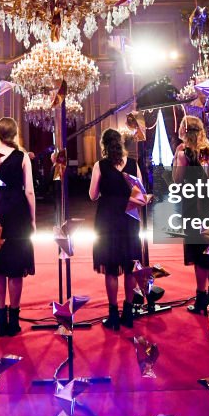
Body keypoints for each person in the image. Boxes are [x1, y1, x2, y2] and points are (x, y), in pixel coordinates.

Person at [0, 117, 36, 337]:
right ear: (15, 134)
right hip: (17, 215)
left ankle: (0, 316)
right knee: (15, 269)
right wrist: (32, 219)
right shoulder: (22, 157)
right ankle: (14, 318)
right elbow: (29, 191)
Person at [89, 128, 143, 331]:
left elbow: (93, 195)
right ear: (120, 143)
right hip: (129, 218)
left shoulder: (100, 166)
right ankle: (128, 312)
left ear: (103, 145)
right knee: (130, 266)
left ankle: (113, 315)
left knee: (111, 269)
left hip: (107, 219)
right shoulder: (132, 165)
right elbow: (140, 194)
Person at [172, 116, 209, 314]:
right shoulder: (208, 151)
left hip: (195, 207)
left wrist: (176, 158)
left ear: (185, 131)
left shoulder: (183, 153)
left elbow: (176, 181)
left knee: (198, 253)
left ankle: (201, 297)